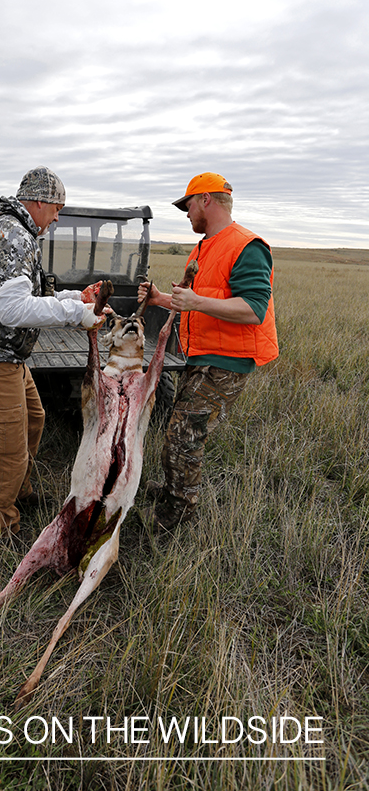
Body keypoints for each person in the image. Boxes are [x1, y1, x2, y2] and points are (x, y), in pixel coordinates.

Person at [0, 166, 106, 539]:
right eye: (57, 208)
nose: (57, 217)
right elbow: (13, 310)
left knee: (34, 418)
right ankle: (1, 529)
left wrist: (74, 298)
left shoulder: (14, 230)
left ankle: (21, 492)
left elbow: (21, 299)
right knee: (10, 450)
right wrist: (76, 315)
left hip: (7, 356)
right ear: (39, 202)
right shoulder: (15, 237)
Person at [138, 172, 279, 529]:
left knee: (184, 435)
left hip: (227, 362)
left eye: (187, 205)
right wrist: (161, 299)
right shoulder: (204, 247)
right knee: (178, 430)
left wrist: (196, 300)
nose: (186, 213)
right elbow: (197, 303)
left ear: (205, 200)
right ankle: (174, 490)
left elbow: (253, 308)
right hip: (201, 356)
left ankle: (176, 517)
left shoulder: (246, 246)